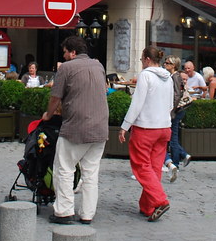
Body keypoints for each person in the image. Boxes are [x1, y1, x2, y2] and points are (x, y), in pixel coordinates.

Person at [41, 35, 109, 225]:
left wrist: (48, 114)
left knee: (64, 168)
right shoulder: (98, 65)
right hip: (100, 127)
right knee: (91, 172)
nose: (63, 56)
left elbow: (55, 97)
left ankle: (64, 211)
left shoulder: (67, 68)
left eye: (64, 52)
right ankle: (87, 213)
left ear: (72, 52)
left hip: (76, 127)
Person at [118, 47, 173, 221]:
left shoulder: (145, 75)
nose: (141, 62)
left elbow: (137, 103)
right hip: (164, 127)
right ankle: (147, 206)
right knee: (154, 167)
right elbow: (171, 104)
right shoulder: (168, 77)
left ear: (148, 59)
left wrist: (125, 126)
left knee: (141, 166)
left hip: (146, 127)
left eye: (142, 59)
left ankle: (159, 200)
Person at [162, 56, 188, 176]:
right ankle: (182, 156)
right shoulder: (174, 76)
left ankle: (176, 163)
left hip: (176, 110)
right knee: (173, 136)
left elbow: (177, 95)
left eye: (167, 63)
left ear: (173, 65)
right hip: (177, 110)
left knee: (173, 137)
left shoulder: (175, 77)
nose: (165, 64)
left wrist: (171, 109)